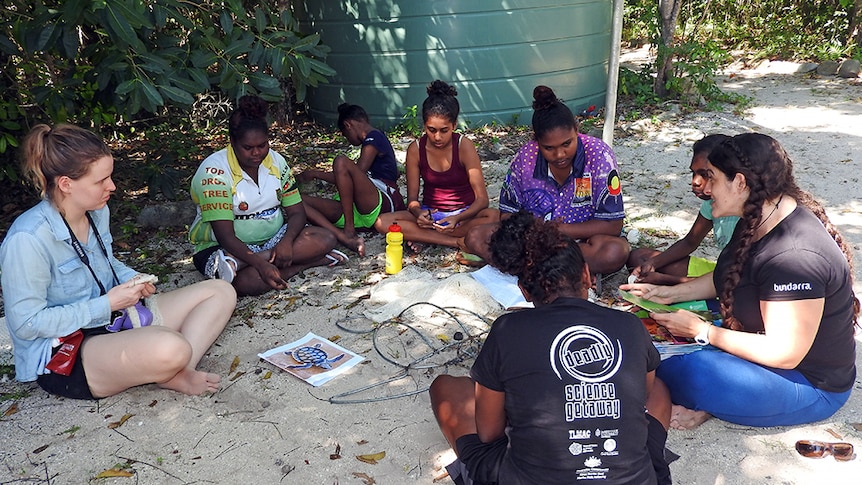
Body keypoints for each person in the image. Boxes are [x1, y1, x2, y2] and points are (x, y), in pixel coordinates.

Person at [621, 133, 859, 430]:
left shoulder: (795, 256)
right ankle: (715, 402)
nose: (706, 189)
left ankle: (711, 403)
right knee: (656, 344)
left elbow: (784, 352)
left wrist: (703, 331)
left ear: (740, 182)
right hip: (760, 353)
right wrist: (668, 293)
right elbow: (728, 277)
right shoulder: (758, 215)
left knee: (673, 366)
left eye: (712, 179)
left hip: (807, 384)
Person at [430, 211, 672, 485]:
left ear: (524, 290)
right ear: (587, 275)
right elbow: (643, 398)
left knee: (446, 387)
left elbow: (489, 433)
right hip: (631, 476)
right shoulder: (629, 325)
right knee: (660, 389)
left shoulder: (508, 330)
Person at [0, 124, 237, 400]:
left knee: (221, 291)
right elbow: (26, 323)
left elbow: (107, 263)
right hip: (67, 351)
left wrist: (133, 279)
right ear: (66, 184)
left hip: (115, 318)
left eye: (110, 177)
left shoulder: (97, 210)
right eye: (101, 181)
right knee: (172, 347)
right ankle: (172, 364)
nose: (111, 187)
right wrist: (106, 304)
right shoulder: (27, 239)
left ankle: (178, 371)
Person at [462, 85, 629, 274]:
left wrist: (558, 230)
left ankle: (527, 268)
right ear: (536, 141)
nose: (559, 154)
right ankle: (554, 269)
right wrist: (535, 233)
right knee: (476, 236)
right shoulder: (525, 158)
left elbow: (613, 225)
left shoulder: (600, 155)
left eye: (567, 143)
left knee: (614, 252)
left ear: (577, 130)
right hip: (534, 240)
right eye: (549, 148)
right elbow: (508, 215)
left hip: (580, 241)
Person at [189, 95, 341, 297]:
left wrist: (286, 241)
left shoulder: (277, 161)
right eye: (248, 147)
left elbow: (296, 212)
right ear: (232, 142)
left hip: (274, 239)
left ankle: (258, 263)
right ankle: (312, 260)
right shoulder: (213, 172)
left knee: (325, 237)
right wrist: (259, 263)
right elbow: (225, 236)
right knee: (246, 283)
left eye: (262, 145)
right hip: (223, 247)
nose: (257, 153)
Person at [374, 80, 498, 251]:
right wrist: (419, 215)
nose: (437, 137)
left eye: (444, 130)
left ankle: (427, 238)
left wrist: (457, 218)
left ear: (454, 125)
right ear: (424, 125)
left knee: (493, 216)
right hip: (431, 217)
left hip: (464, 215)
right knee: (382, 222)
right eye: (431, 130)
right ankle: (455, 241)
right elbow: (412, 201)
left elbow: (482, 200)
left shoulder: (464, 146)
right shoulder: (416, 149)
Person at [298, 103, 405, 257]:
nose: (347, 139)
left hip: (382, 199)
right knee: (296, 201)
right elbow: (346, 178)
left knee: (341, 161)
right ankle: (339, 234)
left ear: (348, 125)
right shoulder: (369, 141)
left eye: (344, 133)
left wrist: (317, 174)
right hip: (358, 207)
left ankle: (349, 228)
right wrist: (315, 174)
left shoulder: (375, 137)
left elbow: (354, 174)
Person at [627, 134, 736, 285]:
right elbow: (690, 241)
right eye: (693, 173)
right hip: (723, 272)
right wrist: (653, 263)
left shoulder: (747, 210)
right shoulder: (712, 201)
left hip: (739, 282)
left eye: (706, 175)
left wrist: (669, 281)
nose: (695, 182)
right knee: (640, 258)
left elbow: (739, 281)